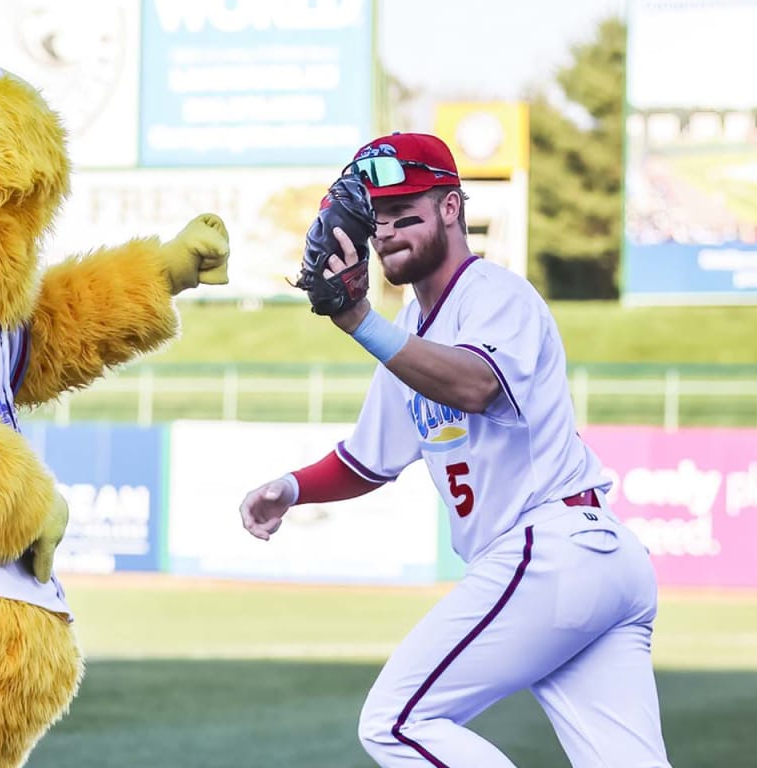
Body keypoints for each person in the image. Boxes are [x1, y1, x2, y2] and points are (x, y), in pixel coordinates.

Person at [238, 132, 672, 768]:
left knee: (397, 724)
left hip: (546, 548)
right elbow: (366, 460)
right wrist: (295, 487)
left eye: (405, 213)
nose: (387, 232)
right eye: (378, 219)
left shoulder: (494, 294)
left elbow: (473, 384)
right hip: (586, 561)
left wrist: (360, 321)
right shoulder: (411, 337)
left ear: (450, 208)